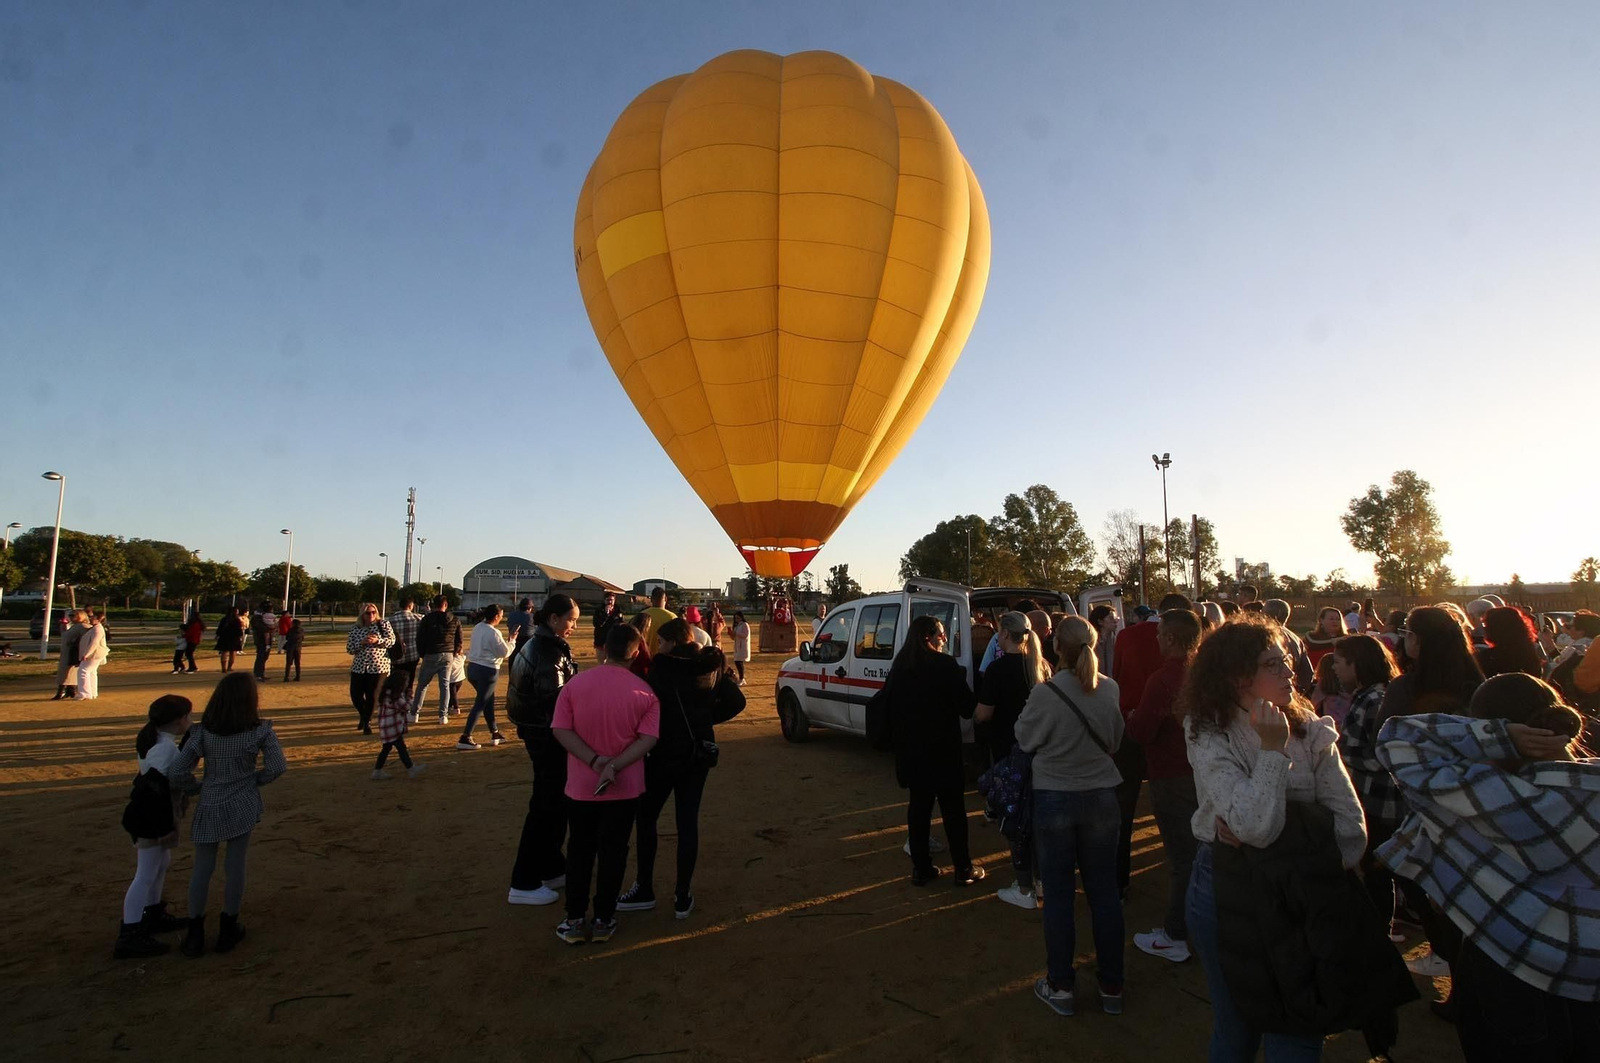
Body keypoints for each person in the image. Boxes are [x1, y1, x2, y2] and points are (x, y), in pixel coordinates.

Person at [1375, 675, 1598, 1063]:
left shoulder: (1481, 796)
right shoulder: (1588, 789)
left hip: (1509, 960)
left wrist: (1497, 736)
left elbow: (1398, 737)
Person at [1180, 614, 1368, 1061]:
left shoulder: (1311, 729)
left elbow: (1350, 832)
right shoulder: (1206, 730)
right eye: (1273, 664)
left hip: (1302, 892)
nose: (1290, 673)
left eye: (1286, 661)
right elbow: (1253, 826)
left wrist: (1277, 834)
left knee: (1300, 1024)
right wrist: (1270, 750)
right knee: (1237, 1023)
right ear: (1236, 675)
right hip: (1226, 887)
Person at [1017, 616, 1126, 1016]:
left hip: (1055, 798)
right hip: (1100, 797)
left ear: (1056, 646)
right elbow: (1115, 740)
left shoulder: (1045, 693)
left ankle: (1061, 985)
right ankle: (1112, 985)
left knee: (1060, 896)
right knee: (1104, 894)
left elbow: (1025, 739)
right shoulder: (1109, 689)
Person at [618, 618, 746, 917]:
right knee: (687, 823)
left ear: (673, 641)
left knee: (646, 817)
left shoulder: (662, 668)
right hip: (698, 753)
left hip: (663, 753)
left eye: (661, 641)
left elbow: (645, 708)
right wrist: (704, 720)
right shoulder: (711, 665)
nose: (658, 646)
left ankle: (645, 887)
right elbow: (737, 702)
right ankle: (682, 895)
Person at [550, 623, 661, 944]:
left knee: (580, 850)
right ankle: (603, 918)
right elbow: (649, 738)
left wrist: (595, 762)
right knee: (614, 851)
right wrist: (615, 765)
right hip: (625, 787)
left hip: (582, 786)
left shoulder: (575, 685)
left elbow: (561, 729)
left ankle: (573, 918)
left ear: (603, 648)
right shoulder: (644, 692)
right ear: (637, 652)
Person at [169, 673, 287, 957]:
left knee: (202, 867)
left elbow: (177, 771)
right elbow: (277, 767)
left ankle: (195, 932)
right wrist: (255, 780)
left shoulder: (202, 732)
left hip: (210, 799)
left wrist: (195, 788)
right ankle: (228, 926)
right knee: (235, 866)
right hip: (243, 799)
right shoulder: (259, 731)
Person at [1128, 608, 1201, 965]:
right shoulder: (1203, 675)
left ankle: (1176, 933)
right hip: (1200, 773)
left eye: (1159, 635)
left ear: (1171, 638)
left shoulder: (1163, 680)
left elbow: (1143, 731)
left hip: (1171, 775)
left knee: (1182, 857)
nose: (1156, 640)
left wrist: (1131, 719)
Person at [887, 615, 983, 887]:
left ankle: (921, 868)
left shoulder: (900, 666)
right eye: (941, 634)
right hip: (944, 751)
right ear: (928, 636)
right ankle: (963, 868)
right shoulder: (945, 665)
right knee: (953, 811)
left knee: (918, 809)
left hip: (912, 751)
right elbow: (967, 707)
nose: (944, 639)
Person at [1111, 592, 1190, 899]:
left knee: (1124, 807)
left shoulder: (1127, 636)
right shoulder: (1190, 650)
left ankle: (1119, 879)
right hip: (1174, 736)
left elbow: (1116, 675)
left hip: (1131, 727)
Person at [505, 595, 581, 905]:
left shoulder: (540, 645)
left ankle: (550, 865)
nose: (573, 626)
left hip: (538, 733)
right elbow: (558, 704)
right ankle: (523, 880)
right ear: (552, 619)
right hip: (547, 738)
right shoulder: (547, 653)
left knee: (554, 804)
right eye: (570, 620)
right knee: (545, 807)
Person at [975, 611, 1050, 909]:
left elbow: (984, 713)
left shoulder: (996, 670)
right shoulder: (1042, 667)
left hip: (1009, 752)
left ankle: (1024, 886)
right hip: (1040, 753)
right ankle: (1042, 878)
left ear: (1004, 634)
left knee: (1014, 818)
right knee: (1037, 816)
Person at [1331, 634, 1404, 929]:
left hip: (1382, 802)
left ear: (1356, 664)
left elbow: (1385, 758)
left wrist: (1342, 755)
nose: (1334, 668)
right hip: (1376, 799)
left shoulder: (1375, 699)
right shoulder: (1371, 694)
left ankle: (1380, 933)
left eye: (1338, 662)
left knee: (1380, 871)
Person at [115, 694, 194, 958]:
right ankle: (130, 931)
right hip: (152, 817)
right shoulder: (164, 748)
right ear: (180, 720)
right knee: (145, 873)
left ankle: (152, 914)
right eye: (188, 716)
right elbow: (155, 790)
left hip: (154, 814)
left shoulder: (155, 740)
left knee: (160, 864)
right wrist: (162, 826)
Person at [1378, 605, 1485, 720]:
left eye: (1405, 632)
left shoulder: (1404, 687)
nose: (1403, 638)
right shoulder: (1476, 683)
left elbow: (1382, 732)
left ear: (1416, 639)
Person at [458, 604, 514, 750]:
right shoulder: (493, 632)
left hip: (473, 668)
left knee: (488, 700)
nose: (502, 618)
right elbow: (504, 652)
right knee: (481, 703)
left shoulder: (478, 627)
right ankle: (465, 736)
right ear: (496, 616)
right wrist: (512, 641)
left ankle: (494, 732)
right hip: (487, 670)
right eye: (501, 615)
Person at [412, 594, 464, 724]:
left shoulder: (427, 619)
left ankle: (414, 713)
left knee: (423, 685)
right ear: (445, 605)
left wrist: (422, 654)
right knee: (445, 685)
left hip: (430, 653)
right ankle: (443, 715)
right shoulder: (454, 619)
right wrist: (454, 651)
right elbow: (459, 639)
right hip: (447, 654)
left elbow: (420, 638)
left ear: (434, 605)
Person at [345, 603, 394, 735]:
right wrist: (361, 643)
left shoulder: (383, 624)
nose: (371, 615)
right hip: (359, 667)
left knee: (372, 695)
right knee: (355, 695)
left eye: (373, 612)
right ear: (362, 614)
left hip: (378, 667)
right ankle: (364, 715)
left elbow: (391, 641)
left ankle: (367, 722)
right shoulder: (356, 628)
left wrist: (377, 640)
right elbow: (349, 648)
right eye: (368, 613)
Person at [372, 671, 425, 780]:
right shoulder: (395, 697)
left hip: (385, 727)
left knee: (387, 749)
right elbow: (406, 707)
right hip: (393, 728)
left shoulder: (386, 693)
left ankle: (377, 771)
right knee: (401, 749)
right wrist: (410, 697)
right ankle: (411, 769)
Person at [1476, 606, 1544, 678]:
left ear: (1494, 628)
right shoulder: (1532, 652)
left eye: (1486, 625)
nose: (1484, 628)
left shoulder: (1488, 657)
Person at [386, 595, 422, 713]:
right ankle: (408, 699)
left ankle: (397, 698)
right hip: (413, 654)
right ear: (411, 606)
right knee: (410, 678)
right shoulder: (418, 618)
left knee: (397, 679)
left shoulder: (391, 620)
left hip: (397, 655)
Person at [52, 609, 87, 699]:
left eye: (73, 615)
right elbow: (65, 636)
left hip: (74, 651)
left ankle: (64, 691)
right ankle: (69, 690)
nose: (71, 617)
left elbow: (87, 637)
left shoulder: (83, 626)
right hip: (67, 651)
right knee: (65, 670)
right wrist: (63, 626)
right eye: (70, 615)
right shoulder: (75, 626)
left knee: (68, 671)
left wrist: (76, 643)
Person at [75, 610, 109, 700]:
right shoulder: (97, 628)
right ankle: (93, 692)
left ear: (98, 620)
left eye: (93, 617)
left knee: (83, 671)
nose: (90, 619)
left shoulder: (97, 629)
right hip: (96, 654)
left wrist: (86, 654)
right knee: (92, 672)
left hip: (94, 654)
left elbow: (94, 643)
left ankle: (85, 693)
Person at [1310, 652, 1351, 724]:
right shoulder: (1348, 684)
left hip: (1331, 722)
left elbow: (1313, 705)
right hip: (1347, 722)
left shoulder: (1323, 685)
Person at [592, 592, 625, 658]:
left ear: (614, 600)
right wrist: (606, 614)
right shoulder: (599, 611)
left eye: (611, 600)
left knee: (613, 661)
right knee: (602, 662)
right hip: (601, 640)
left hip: (614, 640)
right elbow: (597, 624)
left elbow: (621, 624)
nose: (610, 602)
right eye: (608, 600)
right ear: (604, 600)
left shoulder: (618, 610)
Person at [215, 607, 244, 674]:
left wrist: (217, 635)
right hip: (234, 638)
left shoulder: (224, 619)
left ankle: (223, 668)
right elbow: (239, 630)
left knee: (224, 652)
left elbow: (220, 628)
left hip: (224, 637)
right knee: (233, 652)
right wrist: (240, 636)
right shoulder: (237, 620)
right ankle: (229, 667)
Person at [249, 602, 273, 681]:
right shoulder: (257, 617)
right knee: (261, 657)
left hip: (267, 639)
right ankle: (258, 674)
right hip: (260, 639)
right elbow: (261, 628)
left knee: (264, 657)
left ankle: (261, 673)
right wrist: (269, 628)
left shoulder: (265, 616)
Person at [730, 611, 751, 685]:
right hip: (737, 646)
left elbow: (745, 635)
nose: (736, 619)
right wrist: (731, 634)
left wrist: (736, 633)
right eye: (735, 618)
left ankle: (742, 678)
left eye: (738, 618)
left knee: (739, 662)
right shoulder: (737, 625)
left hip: (742, 646)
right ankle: (741, 678)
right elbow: (734, 637)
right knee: (737, 661)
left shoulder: (745, 625)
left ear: (741, 617)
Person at [180, 609, 204, 674]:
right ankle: (193, 667)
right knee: (189, 654)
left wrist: (184, 635)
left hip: (192, 640)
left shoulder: (194, 624)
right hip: (194, 640)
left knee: (189, 654)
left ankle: (192, 667)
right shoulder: (198, 623)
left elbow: (191, 632)